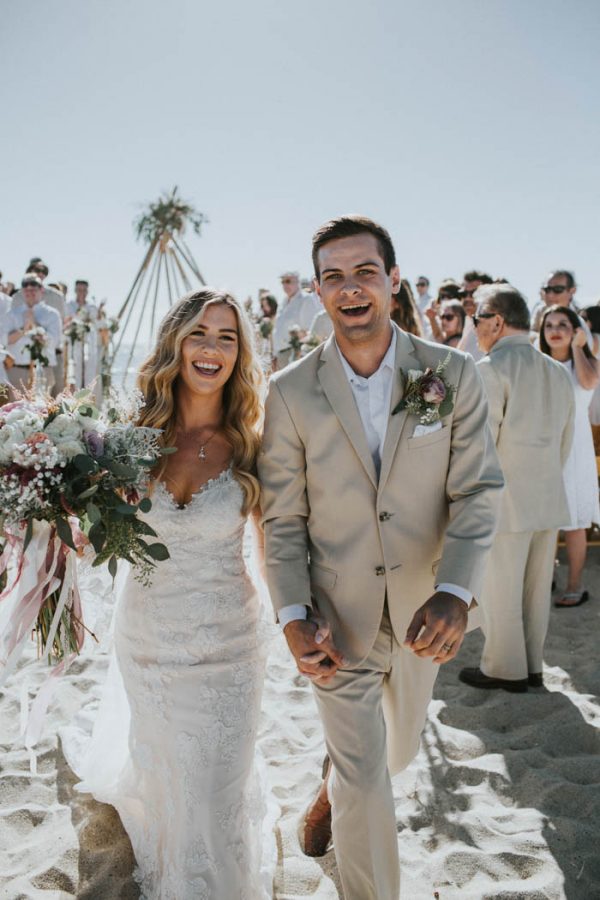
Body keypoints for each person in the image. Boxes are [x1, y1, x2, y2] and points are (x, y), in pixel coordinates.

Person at [258, 216, 503, 900]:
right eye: (333, 276)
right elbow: (283, 518)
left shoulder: (449, 373)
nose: (350, 288)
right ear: (317, 291)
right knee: (368, 781)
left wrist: (456, 590)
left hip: (427, 611)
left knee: (389, 759)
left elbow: (479, 491)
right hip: (338, 619)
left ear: (393, 281)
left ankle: (330, 787)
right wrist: (292, 614)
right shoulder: (289, 391)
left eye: (365, 271)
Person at [67, 289, 274, 898]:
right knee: (173, 781)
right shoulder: (129, 437)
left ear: (240, 354)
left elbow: (272, 543)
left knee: (217, 784)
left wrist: (294, 617)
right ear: (175, 345)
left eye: (227, 338)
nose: (212, 349)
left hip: (231, 645)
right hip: (149, 641)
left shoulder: (254, 440)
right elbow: (92, 537)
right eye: (199, 335)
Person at [458, 286, 574, 692]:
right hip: (547, 496)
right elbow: (565, 441)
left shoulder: (490, 369)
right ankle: (532, 666)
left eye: (476, 321)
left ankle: (505, 670)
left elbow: (483, 446)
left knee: (500, 589)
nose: (475, 329)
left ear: (495, 321)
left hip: (504, 501)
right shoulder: (557, 371)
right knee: (535, 590)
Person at [540, 304, 600, 607]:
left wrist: (580, 347)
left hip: (575, 451)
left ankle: (575, 585)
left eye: (563, 324)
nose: (555, 330)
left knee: (575, 522)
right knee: (544, 521)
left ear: (575, 329)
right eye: (549, 325)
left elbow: (588, 384)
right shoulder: (537, 364)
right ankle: (542, 580)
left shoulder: (586, 363)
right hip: (542, 450)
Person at [5, 275, 61, 393]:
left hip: (43, 371)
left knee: (42, 410)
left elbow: (55, 342)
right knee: (15, 410)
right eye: (26, 289)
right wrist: (23, 330)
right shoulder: (12, 314)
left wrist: (35, 326)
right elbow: (4, 341)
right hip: (16, 371)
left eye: (34, 288)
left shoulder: (52, 314)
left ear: (42, 289)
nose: (29, 292)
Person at [272, 270, 320, 369]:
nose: (285, 285)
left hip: (296, 353)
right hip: (280, 354)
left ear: (297, 282)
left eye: (288, 281)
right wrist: (275, 354)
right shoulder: (283, 303)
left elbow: (311, 331)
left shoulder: (306, 300)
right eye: (283, 282)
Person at [65, 280, 99, 393]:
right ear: (75, 290)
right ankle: (75, 395)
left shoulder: (92, 306)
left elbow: (94, 322)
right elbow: (67, 320)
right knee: (74, 370)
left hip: (88, 343)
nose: (82, 293)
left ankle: (88, 395)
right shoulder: (69, 305)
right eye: (79, 290)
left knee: (89, 369)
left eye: (84, 290)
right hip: (73, 342)